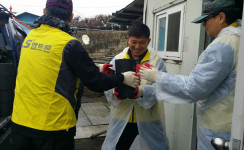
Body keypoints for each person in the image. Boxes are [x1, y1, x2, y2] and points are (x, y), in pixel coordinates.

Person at [10, 0, 139, 150]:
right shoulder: (69, 44)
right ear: (71, 17)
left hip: (20, 124)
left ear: (45, 11)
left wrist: (95, 68)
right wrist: (123, 78)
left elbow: (49, 66)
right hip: (53, 128)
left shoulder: (29, 38)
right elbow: (96, 83)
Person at [139, 0, 242, 149]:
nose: (203, 25)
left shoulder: (223, 45)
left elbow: (194, 87)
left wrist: (158, 77)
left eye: (206, 20)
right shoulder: (239, 39)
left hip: (217, 128)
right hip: (231, 123)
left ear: (221, 17)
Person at [101, 23, 169, 150]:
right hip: (122, 119)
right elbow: (107, 83)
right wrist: (114, 93)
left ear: (148, 41)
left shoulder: (156, 61)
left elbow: (162, 88)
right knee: (119, 146)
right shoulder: (117, 59)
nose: (137, 46)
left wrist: (142, 91)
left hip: (148, 120)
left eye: (142, 42)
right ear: (127, 39)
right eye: (134, 42)